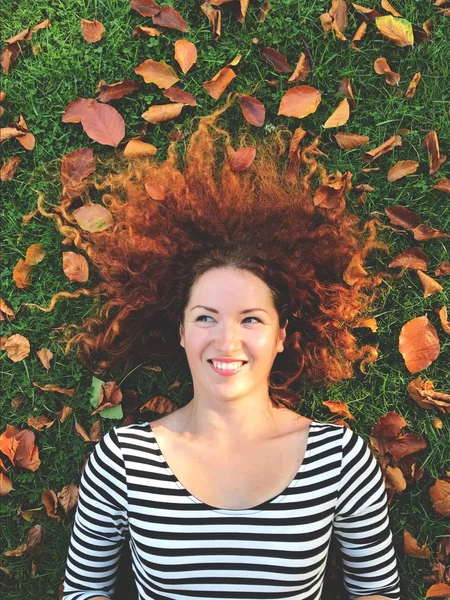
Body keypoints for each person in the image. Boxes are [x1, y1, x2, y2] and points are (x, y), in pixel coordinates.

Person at [51, 96, 401, 599]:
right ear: (181, 331)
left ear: (281, 335)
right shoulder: (123, 462)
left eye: (251, 319)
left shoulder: (340, 460)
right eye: (206, 318)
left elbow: (375, 591)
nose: (226, 339)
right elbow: (84, 591)